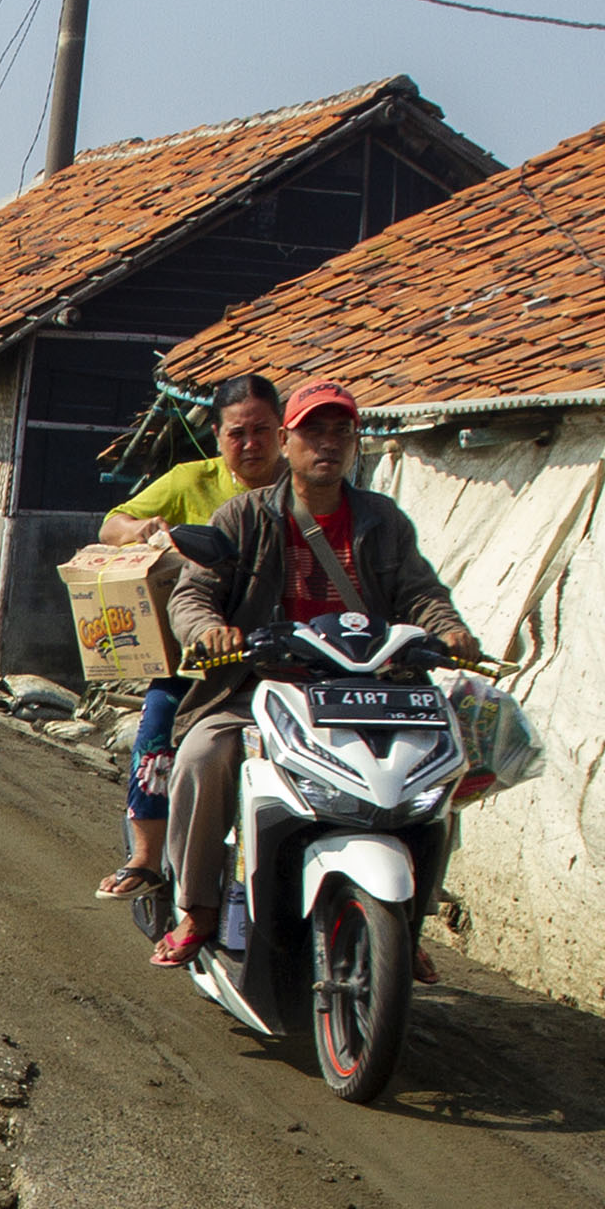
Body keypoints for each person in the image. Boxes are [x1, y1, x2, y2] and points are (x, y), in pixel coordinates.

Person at [154, 378, 483, 969]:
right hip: (261, 685)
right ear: (287, 440)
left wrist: (448, 629)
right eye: (312, 431)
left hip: (368, 690)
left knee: (437, 774)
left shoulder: (384, 520)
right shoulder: (244, 516)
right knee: (204, 756)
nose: (327, 444)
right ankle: (199, 908)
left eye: (341, 431)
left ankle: (406, 920)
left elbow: (421, 591)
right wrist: (210, 632)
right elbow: (194, 594)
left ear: (355, 441)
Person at [92, 375, 283, 900]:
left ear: (282, 431)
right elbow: (112, 524)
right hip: (198, 661)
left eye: (261, 431)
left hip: (284, 663)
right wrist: (140, 529)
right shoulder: (190, 480)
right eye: (236, 433)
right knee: (158, 734)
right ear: (217, 436)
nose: (250, 444)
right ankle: (147, 858)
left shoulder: (303, 490)